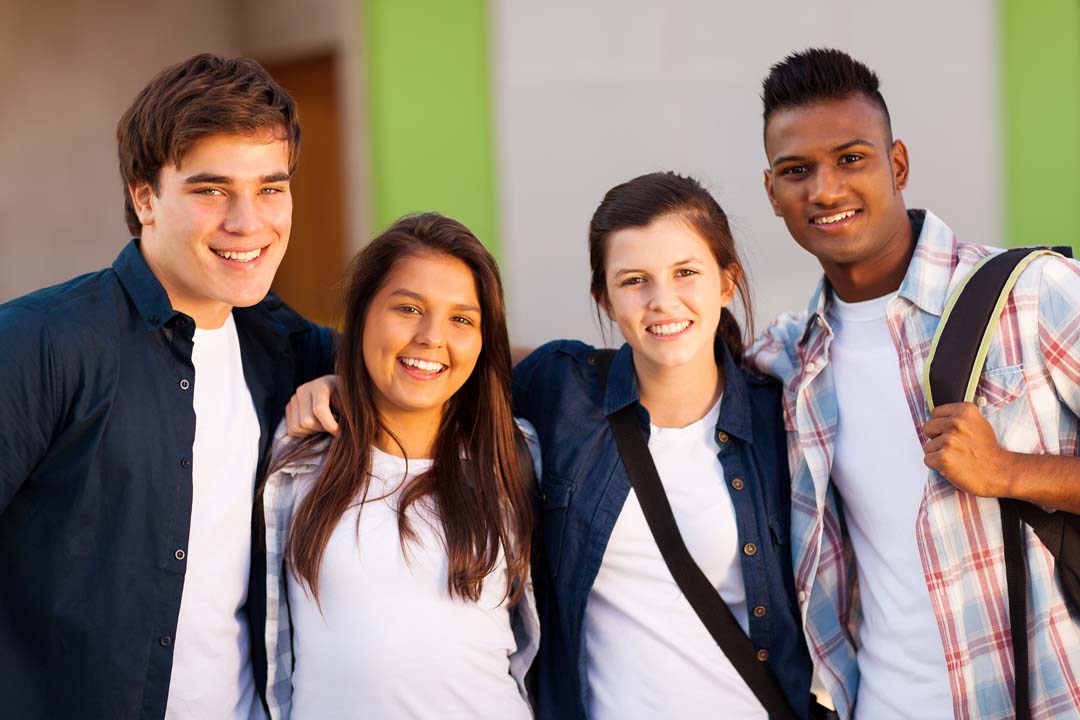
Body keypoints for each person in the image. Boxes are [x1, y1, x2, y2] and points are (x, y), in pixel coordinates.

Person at [285, 174, 814, 719]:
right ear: (602, 298)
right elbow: (446, 373)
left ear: (727, 283)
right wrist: (340, 379)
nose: (663, 300)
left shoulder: (785, 418)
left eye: (686, 273)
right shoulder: (563, 393)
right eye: (634, 280)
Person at [0, 54, 334, 719]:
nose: (248, 222)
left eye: (271, 187)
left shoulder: (295, 352)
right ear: (144, 197)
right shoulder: (42, 342)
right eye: (211, 189)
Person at [750, 48, 1080, 719]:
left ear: (897, 164)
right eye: (797, 171)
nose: (825, 190)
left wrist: (1010, 471)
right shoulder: (794, 356)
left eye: (851, 158)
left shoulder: (1034, 294)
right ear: (773, 193)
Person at [260, 213, 537, 719]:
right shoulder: (297, 457)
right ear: (363, 315)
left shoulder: (514, 457)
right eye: (409, 308)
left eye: (462, 319)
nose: (432, 337)